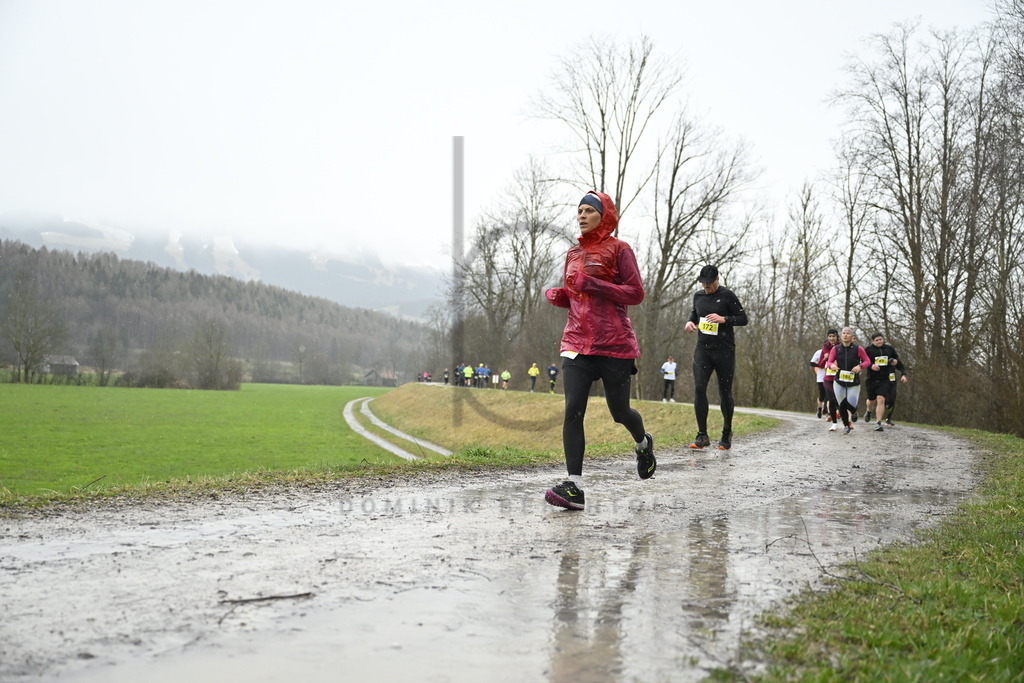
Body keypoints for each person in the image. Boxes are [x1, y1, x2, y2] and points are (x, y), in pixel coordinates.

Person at [543, 191, 655, 511]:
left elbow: (635, 293)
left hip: (614, 345)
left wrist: (594, 285)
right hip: (577, 343)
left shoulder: (620, 249)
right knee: (573, 410)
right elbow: (576, 295)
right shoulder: (573, 253)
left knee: (620, 413)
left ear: (603, 216)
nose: (581, 215)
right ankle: (574, 486)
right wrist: (561, 296)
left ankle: (643, 443)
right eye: (578, 210)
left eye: (588, 210)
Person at [683, 265, 748, 450]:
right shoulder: (698, 296)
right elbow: (694, 314)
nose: (706, 287)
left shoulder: (727, 295)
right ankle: (702, 435)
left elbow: (743, 319)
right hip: (703, 349)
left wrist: (724, 319)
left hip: (724, 351)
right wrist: (689, 322)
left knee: (725, 392)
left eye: (710, 284)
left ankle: (726, 433)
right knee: (699, 388)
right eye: (704, 283)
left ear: (717, 280)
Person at [826, 326, 871, 434]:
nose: (845, 335)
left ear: (852, 336)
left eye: (848, 333)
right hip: (839, 381)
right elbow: (829, 362)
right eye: (843, 333)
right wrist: (832, 366)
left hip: (853, 382)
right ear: (841, 336)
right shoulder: (836, 349)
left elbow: (867, 361)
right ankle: (846, 425)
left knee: (851, 404)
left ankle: (854, 411)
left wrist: (860, 366)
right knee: (841, 404)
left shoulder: (858, 349)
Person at [863, 332, 909, 431]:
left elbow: (897, 361)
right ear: (872, 341)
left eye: (881, 339)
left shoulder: (889, 349)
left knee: (881, 399)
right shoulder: (868, 350)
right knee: (871, 401)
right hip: (871, 379)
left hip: (884, 379)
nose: (879, 341)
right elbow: (863, 362)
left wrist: (903, 373)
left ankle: (878, 422)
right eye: (877, 340)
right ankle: (869, 411)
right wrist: (871, 365)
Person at [809, 347, 826, 418]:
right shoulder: (819, 352)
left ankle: (828, 412)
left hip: (831, 377)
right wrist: (820, 365)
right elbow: (811, 363)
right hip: (821, 378)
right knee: (822, 395)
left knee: (830, 396)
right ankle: (819, 409)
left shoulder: (835, 351)